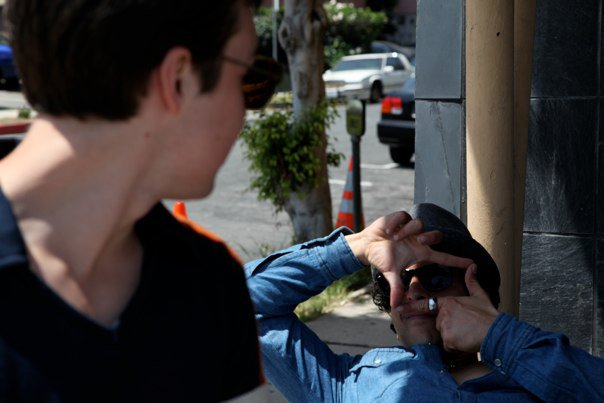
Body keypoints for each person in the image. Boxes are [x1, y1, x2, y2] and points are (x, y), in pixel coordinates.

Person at [0, 1, 283, 401]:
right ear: (178, 78)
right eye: (246, 75)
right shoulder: (209, 286)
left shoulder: (211, 283)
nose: (245, 110)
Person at [245, 203, 604, 402]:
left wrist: (498, 334)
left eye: (435, 278)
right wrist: (353, 250)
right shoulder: (345, 386)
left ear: (476, 296)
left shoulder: (536, 381)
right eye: (398, 281)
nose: (413, 290)